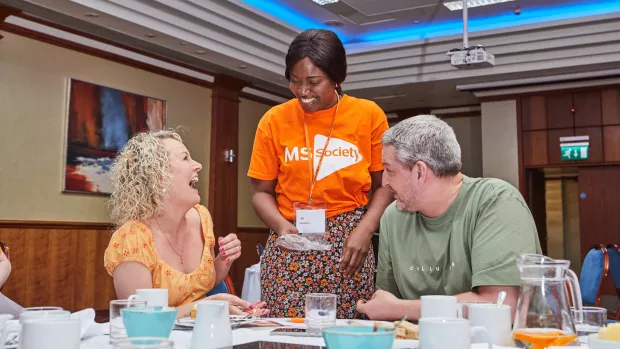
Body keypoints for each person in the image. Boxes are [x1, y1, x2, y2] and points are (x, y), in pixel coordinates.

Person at [248, 29, 394, 319]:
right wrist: (280, 227)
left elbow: (385, 186)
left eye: (314, 82)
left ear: (337, 77)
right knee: (286, 332)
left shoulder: (368, 115)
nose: (303, 91)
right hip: (290, 242)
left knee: (347, 332)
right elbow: (261, 192)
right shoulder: (274, 121)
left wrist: (365, 231)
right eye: (295, 81)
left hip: (349, 245)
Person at [357, 115, 541, 321]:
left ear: (420, 172)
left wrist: (401, 309)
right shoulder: (393, 217)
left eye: (389, 171)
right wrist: (392, 309)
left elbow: (501, 305)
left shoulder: (495, 201)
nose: (385, 182)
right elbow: (386, 305)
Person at [104, 130, 269, 318]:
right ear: (158, 176)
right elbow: (139, 318)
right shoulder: (131, 239)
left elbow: (205, 282)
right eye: (185, 158)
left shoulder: (201, 218)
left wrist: (224, 260)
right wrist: (206, 306)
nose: (198, 165)